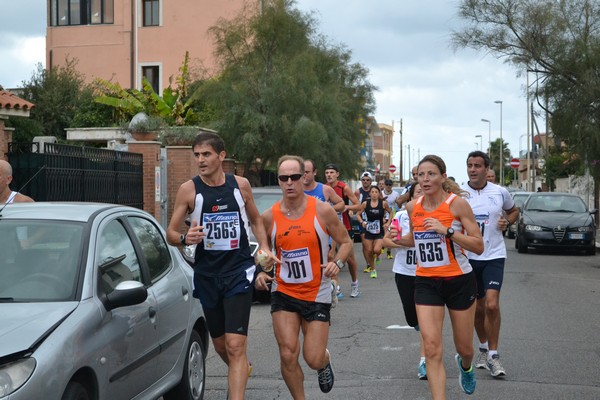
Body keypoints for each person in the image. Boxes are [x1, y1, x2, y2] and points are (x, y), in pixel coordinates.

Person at [166, 132, 276, 400]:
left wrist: (264, 247)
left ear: (221, 156)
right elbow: (169, 231)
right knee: (221, 346)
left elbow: (256, 220)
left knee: (236, 345)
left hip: (238, 272)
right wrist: (184, 238)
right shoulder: (188, 190)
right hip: (206, 275)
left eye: (206, 154)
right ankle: (241, 369)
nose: (201, 160)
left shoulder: (240, 185)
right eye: (197, 155)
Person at [255, 155, 353, 399]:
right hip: (284, 290)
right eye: (283, 178)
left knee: (312, 357)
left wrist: (337, 263)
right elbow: (262, 252)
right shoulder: (269, 216)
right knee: (288, 353)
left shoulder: (322, 210)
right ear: (279, 180)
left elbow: (345, 242)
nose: (289, 182)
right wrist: (261, 271)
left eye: (295, 177)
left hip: (316, 291)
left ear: (305, 178)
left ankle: (324, 361)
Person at [390, 154, 484, 400]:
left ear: (443, 177)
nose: (425, 179)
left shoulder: (457, 205)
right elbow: (415, 239)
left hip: (459, 280)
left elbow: (478, 245)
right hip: (426, 281)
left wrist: (448, 231)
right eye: (421, 175)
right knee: (431, 348)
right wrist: (395, 238)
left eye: (431, 174)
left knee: (465, 348)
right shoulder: (412, 207)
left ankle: (466, 367)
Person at [462, 151, 519, 378]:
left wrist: (508, 221)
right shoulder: (459, 195)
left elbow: (513, 211)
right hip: (468, 257)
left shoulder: (499, 192)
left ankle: (494, 355)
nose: (473, 169)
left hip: (494, 255)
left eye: (477, 166)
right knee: (478, 308)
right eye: (469, 165)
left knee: (492, 305)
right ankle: (483, 347)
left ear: (487, 169)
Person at [383, 182, 427, 379]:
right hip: (404, 272)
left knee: (426, 319)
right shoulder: (400, 216)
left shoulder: (434, 216)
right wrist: (397, 240)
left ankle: (425, 360)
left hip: (427, 273)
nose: (420, 196)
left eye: (424, 193)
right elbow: (385, 241)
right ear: (410, 197)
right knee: (412, 318)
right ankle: (420, 327)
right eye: (417, 193)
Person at [303, 159, 345, 302]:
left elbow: (341, 203)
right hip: (303, 234)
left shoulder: (324, 189)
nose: (304, 175)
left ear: (314, 173)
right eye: (301, 172)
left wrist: (327, 210)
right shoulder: (296, 189)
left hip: (324, 235)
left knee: (329, 260)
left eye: (307, 172)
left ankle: (334, 287)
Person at [324, 163, 362, 299]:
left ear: (337, 174)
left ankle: (355, 284)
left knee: (349, 259)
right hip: (329, 228)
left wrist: (345, 207)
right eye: (327, 172)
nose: (329, 175)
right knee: (330, 256)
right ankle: (336, 287)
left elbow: (358, 205)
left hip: (345, 227)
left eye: (332, 172)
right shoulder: (324, 188)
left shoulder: (344, 188)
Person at [355, 184, 391, 279]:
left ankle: (378, 255)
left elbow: (390, 212)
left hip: (379, 231)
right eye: (372, 192)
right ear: (369, 194)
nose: (374, 194)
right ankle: (373, 269)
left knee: (376, 250)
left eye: (376, 192)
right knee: (369, 251)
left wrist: (387, 223)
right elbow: (358, 214)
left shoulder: (383, 203)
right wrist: (362, 221)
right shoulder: (365, 204)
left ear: (379, 193)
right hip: (369, 230)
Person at [355, 171, 374, 273]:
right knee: (365, 244)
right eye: (363, 180)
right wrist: (351, 210)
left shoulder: (374, 191)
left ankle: (373, 258)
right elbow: (355, 204)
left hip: (374, 221)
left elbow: (381, 203)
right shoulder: (358, 192)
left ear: (371, 181)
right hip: (362, 220)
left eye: (367, 180)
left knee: (373, 246)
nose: (365, 182)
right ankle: (368, 264)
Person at [381, 178, 401, 259]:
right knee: (384, 232)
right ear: (384, 185)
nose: (388, 186)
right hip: (383, 215)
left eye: (390, 185)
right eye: (387, 185)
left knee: (391, 233)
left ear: (392, 186)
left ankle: (389, 251)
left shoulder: (395, 194)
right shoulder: (381, 193)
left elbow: (399, 205)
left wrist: (398, 202)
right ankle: (383, 245)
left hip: (393, 216)